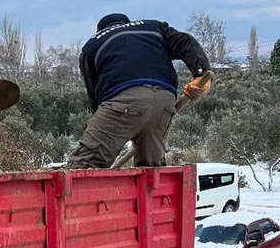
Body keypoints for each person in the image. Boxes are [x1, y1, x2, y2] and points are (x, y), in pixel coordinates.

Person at [67, 14, 211, 168]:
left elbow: (95, 98)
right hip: (164, 103)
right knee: (151, 170)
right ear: (127, 23)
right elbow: (185, 41)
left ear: (101, 30)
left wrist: (113, 129)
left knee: (83, 166)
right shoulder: (154, 28)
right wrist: (201, 73)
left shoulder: (92, 46)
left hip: (123, 102)